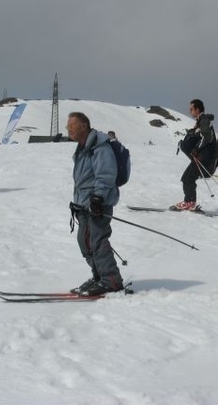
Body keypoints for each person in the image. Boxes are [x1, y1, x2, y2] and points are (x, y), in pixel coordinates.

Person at [67, 112, 124, 296]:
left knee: (97, 241)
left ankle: (112, 281)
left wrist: (98, 198)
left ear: (84, 125)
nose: (68, 128)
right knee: (85, 243)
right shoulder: (83, 147)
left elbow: (106, 174)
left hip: (99, 203)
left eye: (72, 125)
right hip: (85, 204)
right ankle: (99, 276)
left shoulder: (99, 146)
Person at [175, 99, 216, 210]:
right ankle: (189, 201)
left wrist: (196, 149)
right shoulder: (200, 121)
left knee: (187, 178)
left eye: (191, 109)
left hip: (204, 157)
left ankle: (189, 202)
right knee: (187, 178)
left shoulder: (204, 121)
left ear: (197, 109)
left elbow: (206, 137)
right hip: (201, 156)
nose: (190, 111)